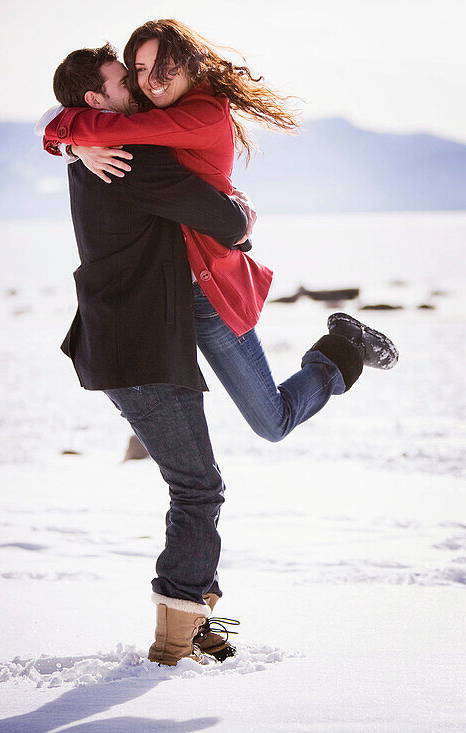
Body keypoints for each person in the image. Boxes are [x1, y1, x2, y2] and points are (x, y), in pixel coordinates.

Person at [44, 39, 395, 667]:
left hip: (139, 339)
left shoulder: (95, 156)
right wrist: (235, 210)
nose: (141, 89)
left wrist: (71, 137)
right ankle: (175, 641)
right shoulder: (126, 158)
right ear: (97, 100)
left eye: (148, 73)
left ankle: (197, 617)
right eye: (128, 80)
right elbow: (229, 224)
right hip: (141, 348)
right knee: (198, 489)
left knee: (214, 469)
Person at [43, 19, 398, 450]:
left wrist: (71, 137)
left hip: (206, 290)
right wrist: (70, 142)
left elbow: (101, 126)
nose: (148, 82)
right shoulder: (155, 108)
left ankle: (343, 350)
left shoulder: (200, 114)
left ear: (187, 62)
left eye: (162, 66)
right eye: (136, 70)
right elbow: (66, 116)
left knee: (272, 421)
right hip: (166, 300)